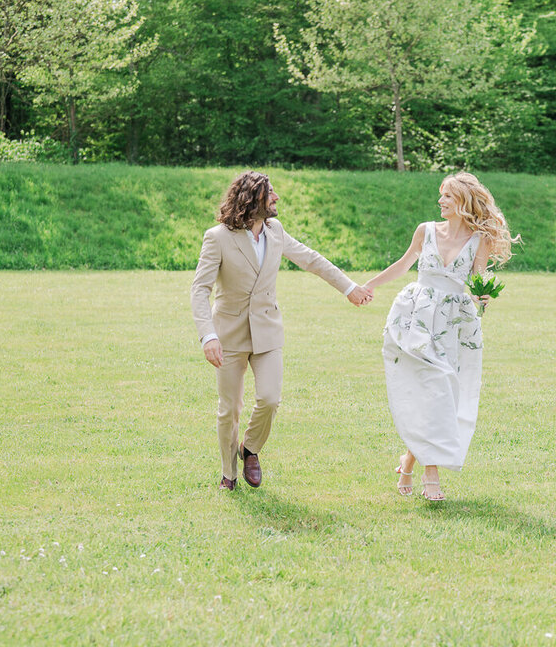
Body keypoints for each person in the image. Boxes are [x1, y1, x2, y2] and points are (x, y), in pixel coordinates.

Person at [191, 170, 372, 490]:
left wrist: (349, 288)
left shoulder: (276, 231)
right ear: (250, 199)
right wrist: (209, 335)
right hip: (228, 335)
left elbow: (312, 260)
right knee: (229, 409)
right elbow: (199, 289)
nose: (276, 198)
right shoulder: (217, 237)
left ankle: (250, 449)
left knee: (270, 399)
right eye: (269, 193)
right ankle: (228, 475)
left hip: (268, 332)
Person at [364, 172, 518, 501]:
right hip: (416, 317)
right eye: (441, 195)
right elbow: (404, 264)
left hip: (452, 322)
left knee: (439, 392)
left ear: (463, 200)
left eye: (447, 195)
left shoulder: (480, 240)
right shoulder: (426, 231)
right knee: (430, 390)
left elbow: (476, 281)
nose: (441, 201)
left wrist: (483, 297)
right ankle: (430, 473)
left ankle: (408, 460)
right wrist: (369, 285)